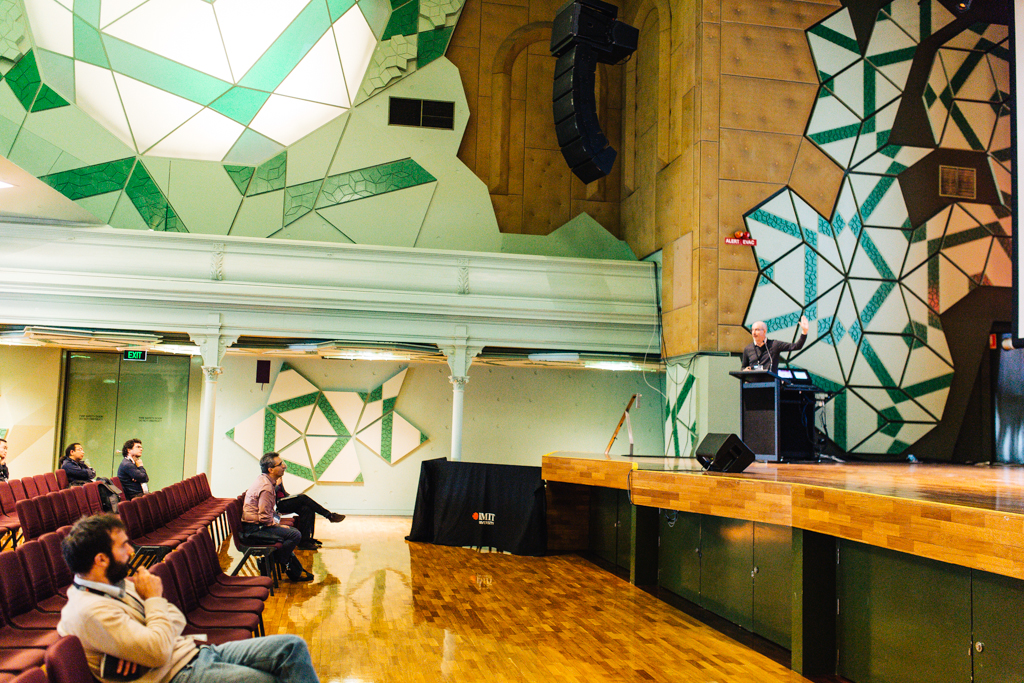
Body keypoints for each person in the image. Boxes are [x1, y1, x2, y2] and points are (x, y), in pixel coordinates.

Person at [57, 513, 320, 683]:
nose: (131, 551)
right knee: (268, 681)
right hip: (175, 674)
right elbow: (158, 650)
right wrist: (153, 602)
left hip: (192, 652)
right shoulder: (88, 610)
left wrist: (147, 635)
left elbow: (176, 619)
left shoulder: (115, 582)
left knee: (291, 647)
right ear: (101, 559)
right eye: (123, 545)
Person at [240, 453, 313, 582]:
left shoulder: (265, 480)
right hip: (254, 529)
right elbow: (264, 518)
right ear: (271, 469)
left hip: (257, 525)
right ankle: (276, 561)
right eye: (280, 464)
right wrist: (278, 525)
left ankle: (275, 562)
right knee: (294, 535)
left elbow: (267, 512)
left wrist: (278, 523)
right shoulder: (266, 487)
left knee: (292, 533)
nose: (284, 466)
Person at [275, 481, 345, 551]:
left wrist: (291, 497)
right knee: (303, 497)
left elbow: (283, 493)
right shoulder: (270, 479)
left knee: (307, 509)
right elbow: (272, 493)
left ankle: (305, 541)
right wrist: (276, 484)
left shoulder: (277, 478)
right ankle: (330, 516)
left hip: (283, 500)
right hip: (280, 504)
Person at [742, 316, 810, 373]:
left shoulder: (774, 345)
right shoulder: (748, 349)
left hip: (770, 382)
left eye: (757, 330)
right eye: (752, 330)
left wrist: (804, 332)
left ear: (764, 331)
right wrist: (744, 370)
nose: (753, 333)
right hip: (753, 383)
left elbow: (796, 346)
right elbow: (743, 367)